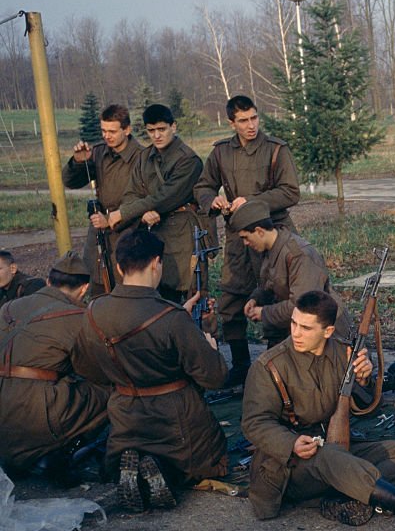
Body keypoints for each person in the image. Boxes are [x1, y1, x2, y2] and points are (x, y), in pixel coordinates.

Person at [242, 290, 395, 531]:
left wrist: (364, 381)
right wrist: (292, 443)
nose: (296, 333)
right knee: (331, 458)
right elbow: (254, 423)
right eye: (294, 323)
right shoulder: (270, 366)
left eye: (306, 328)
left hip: (333, 446)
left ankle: (346, 491)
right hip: (288, 466)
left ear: (328, 331)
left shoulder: (343, 353)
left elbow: (367, 410)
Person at [73, 230, 228, 513]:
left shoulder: (94, 311)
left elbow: (87, 368)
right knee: (210, 458)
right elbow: (215, 377)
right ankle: (163, 473)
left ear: (119, 267)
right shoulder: (171, 317)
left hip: (125, 418)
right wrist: (208, 341)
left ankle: (133, 464)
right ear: (157, 263)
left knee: (126, 448)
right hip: (177, 420)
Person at [230, 200, 395, 397]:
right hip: (300, 330)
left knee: (348, 391)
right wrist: (256, 299)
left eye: (246, 237)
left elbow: (305, 308)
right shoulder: (270, 250)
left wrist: (264, 313)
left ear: (259, 231)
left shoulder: (298, 254)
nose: (245, 243)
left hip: (328, 329)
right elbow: (270, 283)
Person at [194, 95, 301, 386]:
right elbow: (202, 185)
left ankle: (277, 368)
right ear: (232, 123)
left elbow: (291, 192)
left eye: (254, 117)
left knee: (279, 294)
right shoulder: (221, 153)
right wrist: (212, 200)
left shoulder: (276, 149)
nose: (251, 125)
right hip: (238, 237)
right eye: (243, 120)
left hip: (273, 232)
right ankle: (241, 366)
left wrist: (252, 202)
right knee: (232, 298)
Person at [0, 252, 110, 484]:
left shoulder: (7, 308)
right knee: (110, 391)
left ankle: (24, 454)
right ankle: (60, 452)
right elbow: (94, 372)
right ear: (84, 289)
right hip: (35, 412)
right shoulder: (80, 318)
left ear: (49, 281)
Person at [110, 104, 204, 302]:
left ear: (173, 127)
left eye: (162, 129)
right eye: (151, 131)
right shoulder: (145, 157)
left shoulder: (188, 160)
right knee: (152, 293)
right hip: (151, 232)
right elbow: (130, 194)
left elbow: (165, 196)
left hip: (180, 235)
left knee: (183, 293)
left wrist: (125, 213)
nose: (157, 136)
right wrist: (142, 213)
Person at [62, 104, 143, 296]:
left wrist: (116, 218)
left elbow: (145, 199)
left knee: (128, 289)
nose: (107, 136)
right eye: (104, 131)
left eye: (113, 131)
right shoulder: (98, 152)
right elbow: (71, 182)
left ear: (127, 129)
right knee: (98, 285)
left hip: (130, 232)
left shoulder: (142, 157)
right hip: (99, 232)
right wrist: (79, 162)